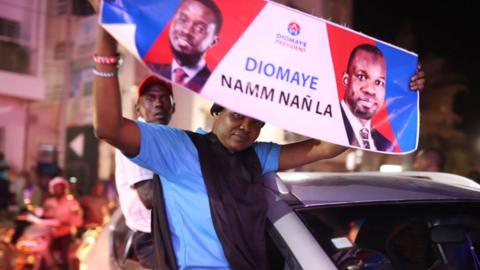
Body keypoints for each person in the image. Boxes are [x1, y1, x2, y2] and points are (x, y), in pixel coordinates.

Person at [89, 1, 425, 268]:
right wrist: (106, 50)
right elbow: (109, 128)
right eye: (237, 116)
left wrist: (396, 98)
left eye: (255, 123)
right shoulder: (177, 147)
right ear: (216, 111)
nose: (245, 128)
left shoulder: (256, 156)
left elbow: (325, 148)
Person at [114, 75, 175, 269]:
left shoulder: (167, 139)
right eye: (150, 98)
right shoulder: (137, 136)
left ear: (173, 107)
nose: (158, 103)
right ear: (137, 107)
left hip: (168, 233)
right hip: (150, 238)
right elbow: (149, 196)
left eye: (164, 98)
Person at [340, 44, 425, 152]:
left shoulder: (387, 145)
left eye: (379, 82)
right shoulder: (325, 121)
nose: (370, 90)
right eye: (361, 77)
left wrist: (410, 90)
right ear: (346, 80)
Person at [147, 0, 222, 92]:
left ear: (213, 41)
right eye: (182, 20)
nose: (187, 31)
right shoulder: (150, 69)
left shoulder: (216, 88)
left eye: (200, 29)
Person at [42, 177, 83, 269]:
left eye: (61, 187)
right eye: (56, 187)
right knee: (44, 255)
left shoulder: (72, 202)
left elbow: (78, 219)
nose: (58, 189)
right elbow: (44, 216)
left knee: (66, 257)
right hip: (50, 234)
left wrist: (68, 223)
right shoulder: (49, 202)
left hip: (66, 234)